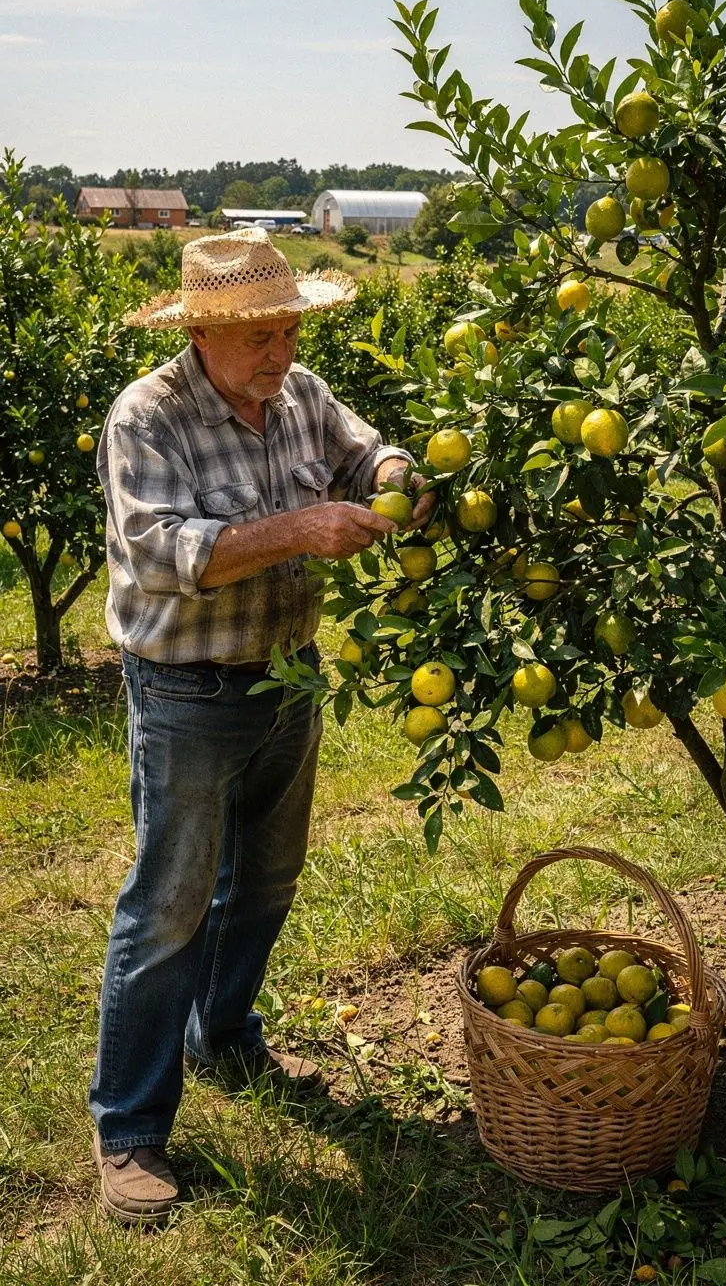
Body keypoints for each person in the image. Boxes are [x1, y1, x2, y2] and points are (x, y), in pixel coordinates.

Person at [89, 228, 433, 1224]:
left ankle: (224, 1032)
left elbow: (365, 451)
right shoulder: (148, 415)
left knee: (268, 880)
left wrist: (391, 474)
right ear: (201, 328)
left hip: (288, 679)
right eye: (257, 334)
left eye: (286, 328)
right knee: (169, 907)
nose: (278, 350)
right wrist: (297, 528)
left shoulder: (301, 395)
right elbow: (159, 553)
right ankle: (131, 1128)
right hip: (187, 691)